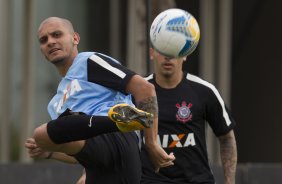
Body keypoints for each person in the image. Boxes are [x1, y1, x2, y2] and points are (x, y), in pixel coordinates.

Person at [24, 17, 175, 184]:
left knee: (40, 134)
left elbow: (145, 89)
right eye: (44, 40)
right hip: (97, 164)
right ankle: (117, 121)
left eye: (56, 35)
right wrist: (50, 152)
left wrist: (152, 143)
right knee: (44, 138)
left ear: (75, 38)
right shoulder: (54, 103)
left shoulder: (87, 62)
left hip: (118, 141)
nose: (50, 42)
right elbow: (78, 150)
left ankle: (119, 120)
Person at [139, 46, 237, 184]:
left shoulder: (204, 91)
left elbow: (226, 138)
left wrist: (230, 182)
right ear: (151, 53)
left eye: (173, 50)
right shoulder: (139, 91)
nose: (168, 56)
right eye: (162, 49)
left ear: (185, 54)